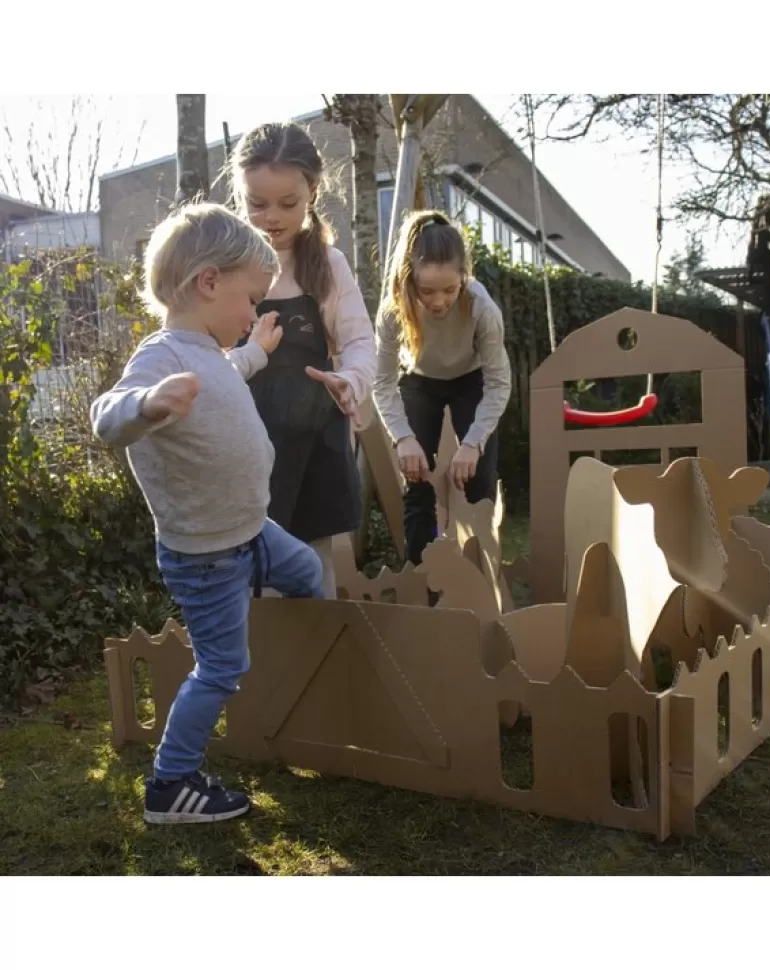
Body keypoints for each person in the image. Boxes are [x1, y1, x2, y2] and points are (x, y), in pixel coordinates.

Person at [90, 203, 326, 825]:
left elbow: (227, 375)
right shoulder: (162, 357)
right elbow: (106, 415)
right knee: (220, 669)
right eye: (250, 299)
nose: (253, 311)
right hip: (208, 556)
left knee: (306, 573)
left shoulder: (206, 352)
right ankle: (171, 784)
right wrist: (147, 402)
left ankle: (297, 668)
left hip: (253, 533)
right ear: (209, 283)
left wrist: (256, 349)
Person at [229, 122, 377, 598]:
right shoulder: (225, 267)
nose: (271, 217)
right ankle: (260, 667)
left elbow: (357, 340)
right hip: (250, 442)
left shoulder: (328, 265)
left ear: (312, 192)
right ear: (239, 195)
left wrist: (350, 380)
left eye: (287, 204)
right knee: (253, 565)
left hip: (317, 442)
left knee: (315, 568)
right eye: (257, 204)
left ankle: (321, 660)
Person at [373, 209, 512, 566]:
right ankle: (423, 584)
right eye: (427, 291)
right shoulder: (393, 310)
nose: (438, 302)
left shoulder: (482, 308)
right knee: (416, 482)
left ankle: (482, 573)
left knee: (480, 480)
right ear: (408, 280)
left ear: (464, 277)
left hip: (473, 379)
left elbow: (498, 383)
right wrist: (403, 438)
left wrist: (471, 444)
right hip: (419, 379)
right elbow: (383, 381)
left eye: (450, 289)